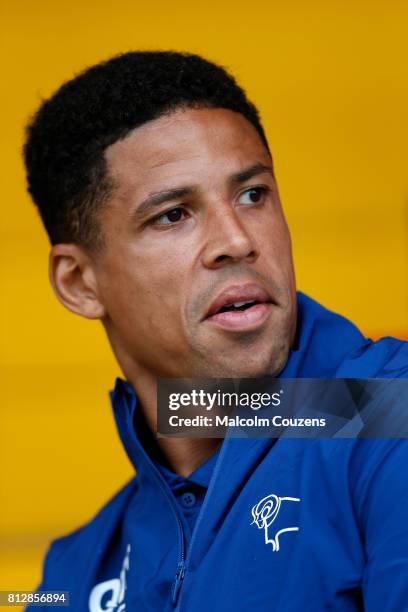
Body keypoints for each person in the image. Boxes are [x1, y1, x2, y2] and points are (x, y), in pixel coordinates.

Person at [23, 51, 408, 611]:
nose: (237, 239)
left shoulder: (386, 422)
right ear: (80, 282)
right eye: (173, 214)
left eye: (253, 194)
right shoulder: (72, 576)